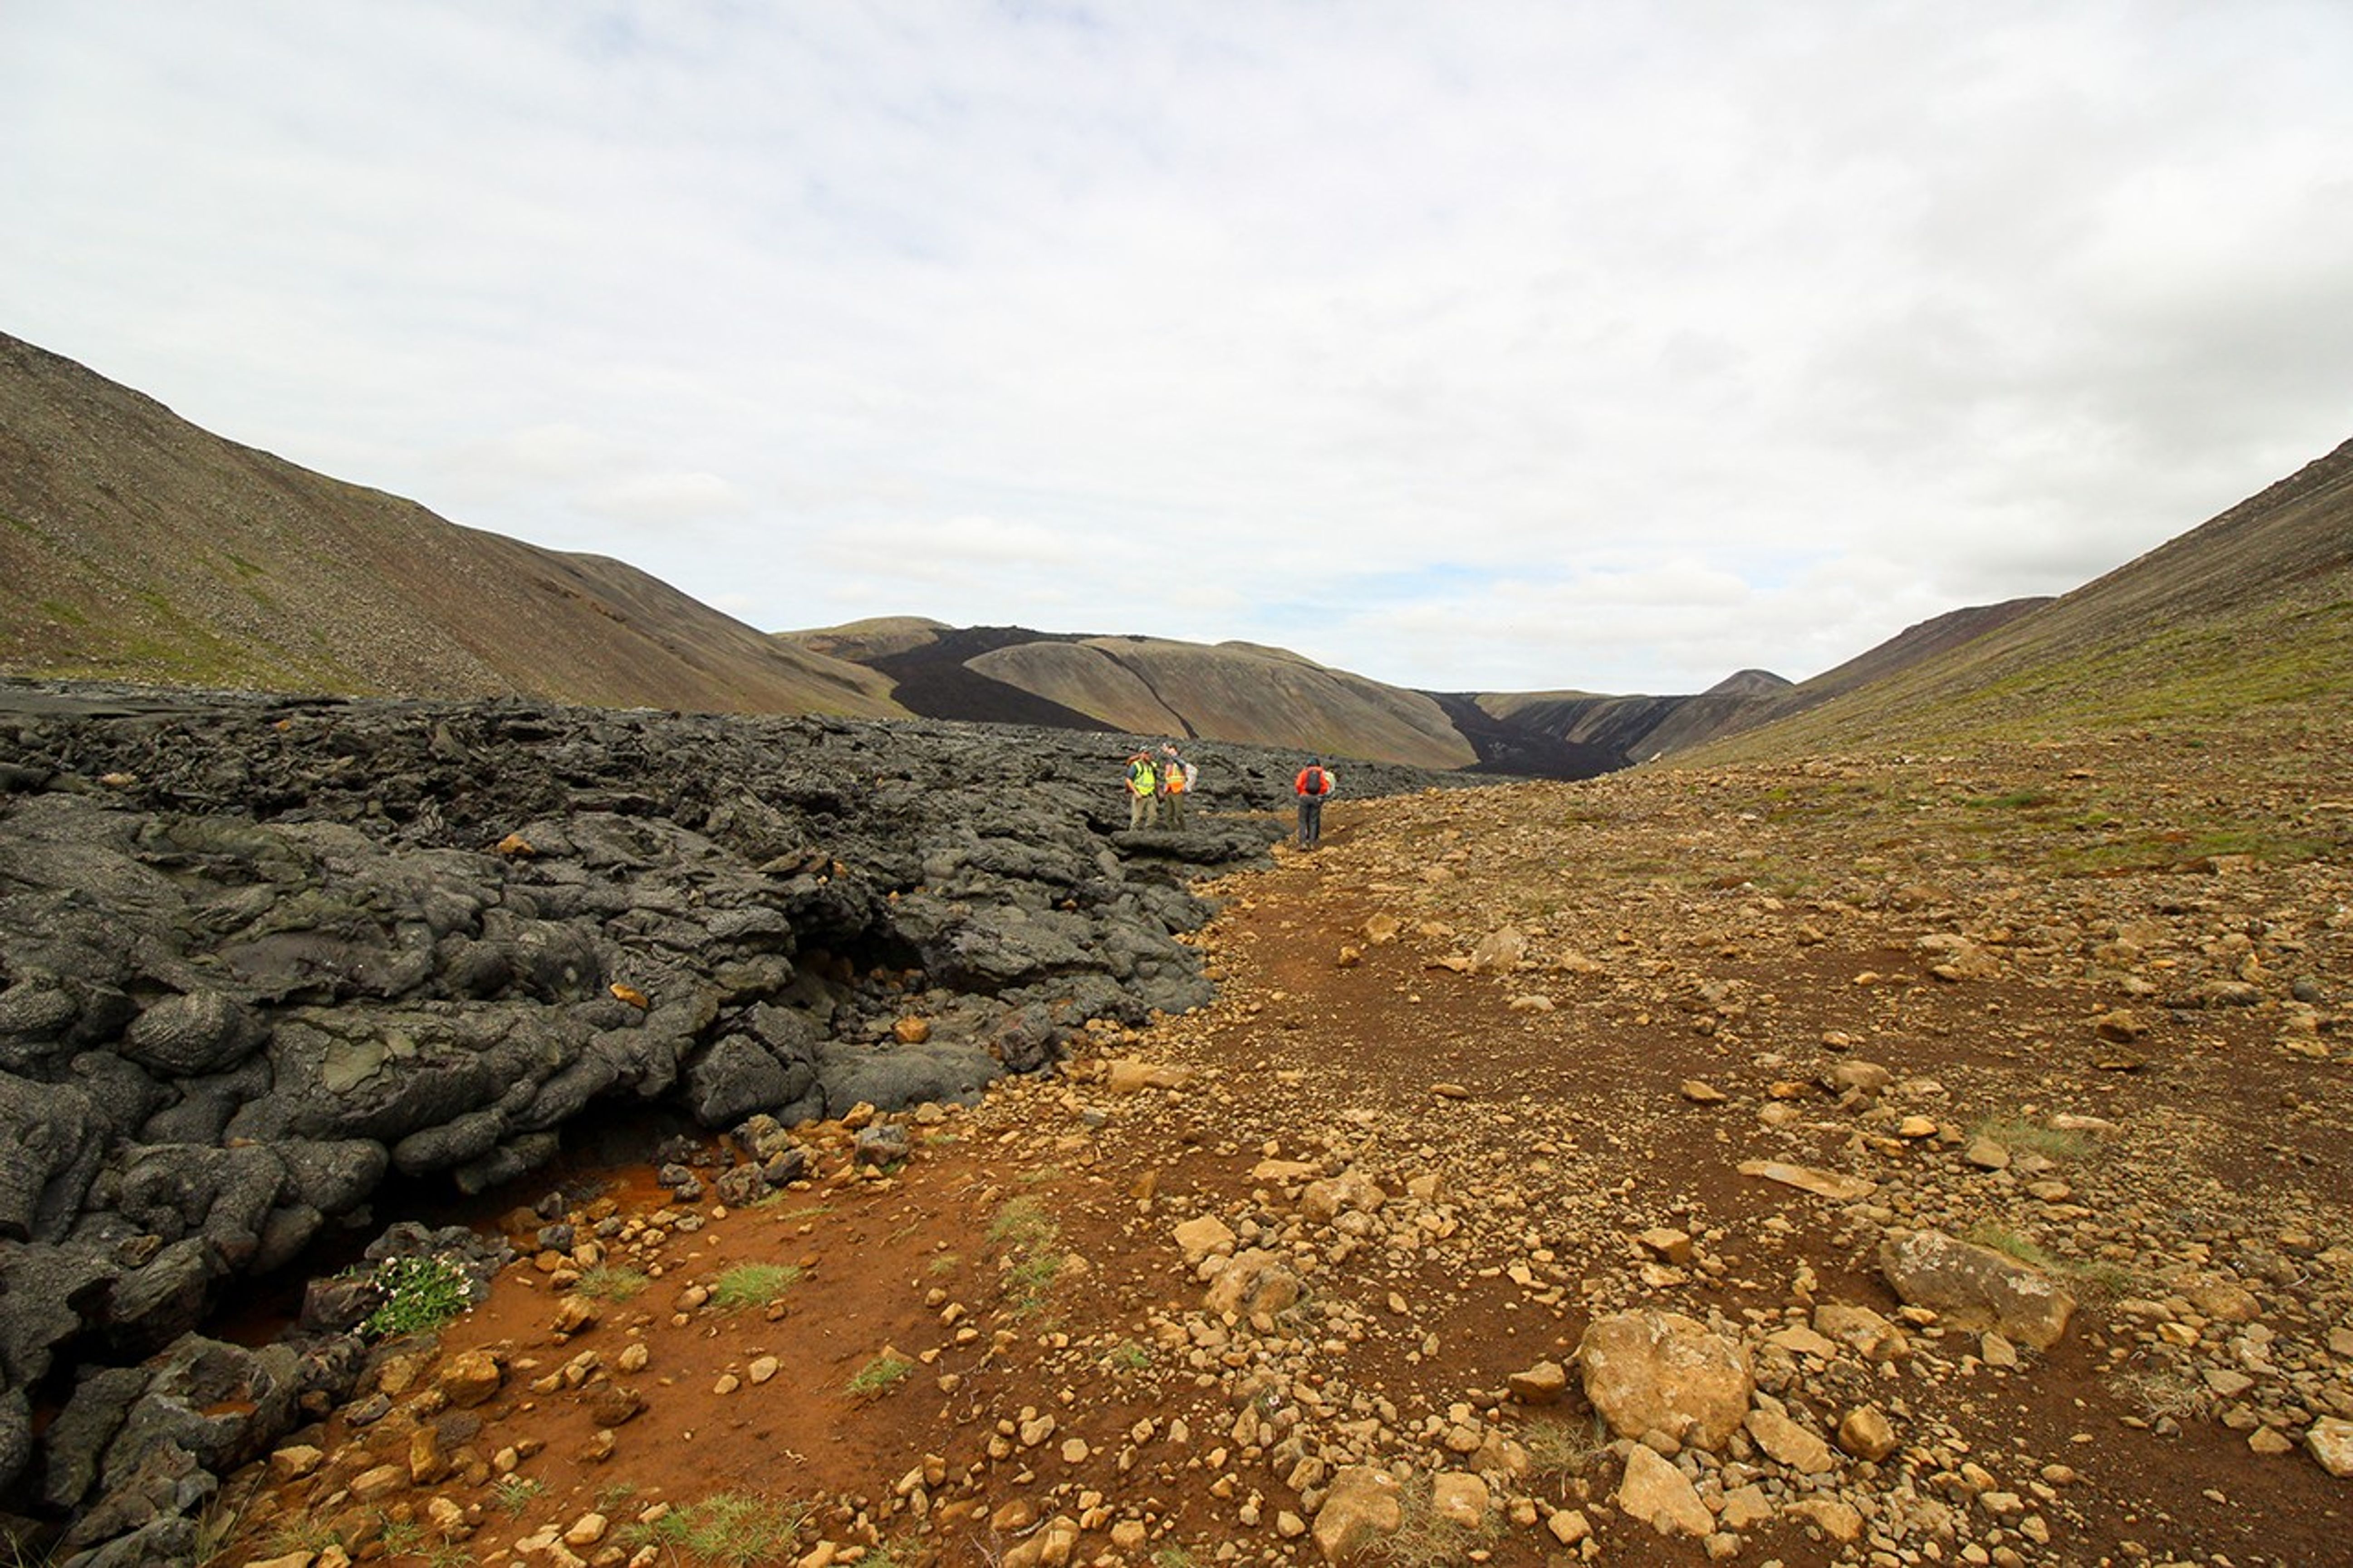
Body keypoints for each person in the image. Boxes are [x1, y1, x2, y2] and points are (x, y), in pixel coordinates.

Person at [1293, 756, 1335, 847]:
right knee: (1313, 821)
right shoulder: (1321, 774)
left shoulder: (1304, 773)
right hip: (1316, 799)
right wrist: (1319, 794)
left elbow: (1298, 785)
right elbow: (1325, 787)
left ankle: (1303, 843)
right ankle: (1312, 843)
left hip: (1304, 798)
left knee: (1303, 821)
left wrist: (1302, 793)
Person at [1159, 744, 1195, 828]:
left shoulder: (1180, 762)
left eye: (1173, 750)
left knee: (1179, 814)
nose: (1171, 752)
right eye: (1170, 750)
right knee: (1168, 815)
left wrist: (1168, 752)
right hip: (1169, 790)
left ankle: (1183, 829)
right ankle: (1173, 831)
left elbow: (1181, 764)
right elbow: (1167, 778)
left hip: (1178, 790)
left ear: (1177, 752)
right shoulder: (1168, 764)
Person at [1124, 748, 1160, 830]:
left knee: (1153, 816)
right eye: (1146, 753)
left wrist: (1159, 791)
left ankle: (1148, 832)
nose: (1149, 755)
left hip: (1151, 795)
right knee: (1137, 818)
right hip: (1140, 795)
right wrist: (1136, 792)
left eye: (1149, 753)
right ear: (1141, 755)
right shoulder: (1136, 766)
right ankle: (1132, 834)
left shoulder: (1153, 766)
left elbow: (1155, 779)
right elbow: (1128, 780)